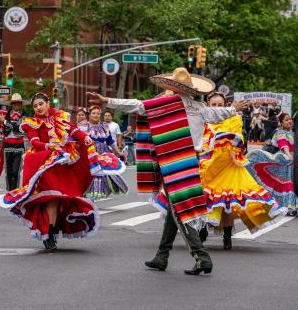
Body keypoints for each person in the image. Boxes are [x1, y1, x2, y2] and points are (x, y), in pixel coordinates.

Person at [88, 67, 249, 275]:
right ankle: (162, 256)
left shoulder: (166, 104)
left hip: (172, 161)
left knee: (181, 210)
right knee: (175, 210)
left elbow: (137, 106)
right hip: (193, 161)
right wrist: (233, 108)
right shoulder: (199, 107)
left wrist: (107, 100)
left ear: (173, 88)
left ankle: (202, 258)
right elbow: (218, 114)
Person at [0, 92, 106, 252]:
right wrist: (46, 146)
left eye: (41, 104)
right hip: (44, 163)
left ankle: (52, 230)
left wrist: (85, 137)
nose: (38, 108)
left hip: (62, 162)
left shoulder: (60, 117)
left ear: (48, 103)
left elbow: (73, 130)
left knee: (60, 199)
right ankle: (49, 234)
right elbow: (34, 140)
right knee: (52, 198)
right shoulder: (31, 122)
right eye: (35, 106)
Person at [198, 92, 285, 249]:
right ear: (208, 105)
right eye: (214, 105)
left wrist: (228, 146)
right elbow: (201, 142)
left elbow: (238, 140)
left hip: (228, 165)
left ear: (225, 105)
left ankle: (227, 236)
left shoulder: (234, 118)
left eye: (220, 105)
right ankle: (202, 230)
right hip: (208, 165)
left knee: (228, 203)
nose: (217, 107)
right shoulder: (204, 120)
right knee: (207, 199)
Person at [247, 112, 298, 216]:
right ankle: (288, 206)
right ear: (282, 123)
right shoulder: (280, 133)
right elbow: (284, 145)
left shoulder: (294, 133)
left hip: (294, 160)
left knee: (293, 183)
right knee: (288, 184)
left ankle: (293, 205)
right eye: (286, 120)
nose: (289, 121)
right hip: (285, 160)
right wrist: (289, 156)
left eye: (290, 119)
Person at [84, 104, 128, 198]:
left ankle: (95, 195)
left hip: (103, 152)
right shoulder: (84, 126)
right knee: (91, 173)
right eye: (93, 113)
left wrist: (119, 152)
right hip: (89, 153)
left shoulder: (104, 126)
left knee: (104, 173)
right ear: (89, 115)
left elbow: (110, 141)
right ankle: (87, 195)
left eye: (98, 114)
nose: (96, 115)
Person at [0, 94, 28, 192]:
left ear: (21, 104)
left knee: (16, 171)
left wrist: (5, 122)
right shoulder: (5, 114)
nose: (16, 105)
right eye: (14, 103)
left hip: (19, 146)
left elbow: (18, 128)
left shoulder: (24, 115)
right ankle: (10, 190)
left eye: (18, 103)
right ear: (12, 104)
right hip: (7, 146)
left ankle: (15, 190)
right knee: (8, 170)